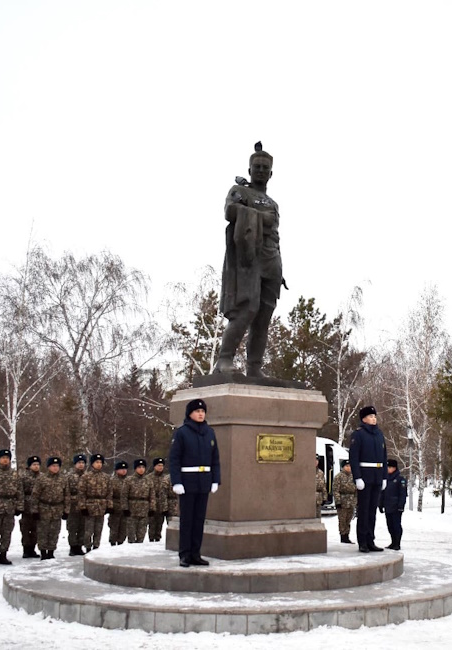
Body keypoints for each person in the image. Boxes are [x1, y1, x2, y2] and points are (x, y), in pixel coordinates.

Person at [213, 141, 284, 376]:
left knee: (264, 316)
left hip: (271, 259)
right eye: (258, 166)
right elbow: (230, 212)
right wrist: (259, 217)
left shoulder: (273, 203)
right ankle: (224, 360)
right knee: (247, 308)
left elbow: (274, 229)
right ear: (250, 170)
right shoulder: (239, 191)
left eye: (266, 167)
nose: (262, 170)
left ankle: (254, 367)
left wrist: (280, 270)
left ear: (271, 173)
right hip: (249, 257)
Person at [169, 398, 221, 567]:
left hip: (203, 481)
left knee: (199, 520)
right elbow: (174, 459)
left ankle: (196, 553)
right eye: (197, 411)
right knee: (187, 520)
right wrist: (176, 481)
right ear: (190, 413)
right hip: (187, 482)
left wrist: (215, 480)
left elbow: (215, 459)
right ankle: (184, 554)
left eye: (203, 411)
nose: (200, 414)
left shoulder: (210, 432)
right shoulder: (182, 432)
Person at [349, 405, 387, 553]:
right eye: (371, 416)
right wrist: (357, 477)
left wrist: (384, 477)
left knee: (372, 511)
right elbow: (353, 457)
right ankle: (362, 541)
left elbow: (384, 457)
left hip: (377, 476)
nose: (374, 419)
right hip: (365, 477)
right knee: (363, 511)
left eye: (374, 416)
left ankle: (371, 540)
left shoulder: (379, 434)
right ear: (364, 419)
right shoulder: (358, 434)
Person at [32, 457, 70, 560]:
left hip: (57, 508)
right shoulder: (42, 479)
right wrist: (35, 510)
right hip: (44, 508)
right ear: (48, 467)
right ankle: (43, 552)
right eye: (53, 466)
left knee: (54, 531)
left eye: (57, 466)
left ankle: (51, 551)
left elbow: (66, 495)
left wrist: (66, 510)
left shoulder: (63, 479)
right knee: (43, 531)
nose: (55, 468)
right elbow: (35, 495)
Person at [77, 454, 112, 553]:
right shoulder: (86, 477)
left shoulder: (106, 477)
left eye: (100, 462)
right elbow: (81, 493)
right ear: (92, 464)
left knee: (98, 529)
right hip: (90, 506)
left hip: (101, 505)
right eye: (97, 462)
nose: (99, 464)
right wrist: (83, 507)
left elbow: (109, 492)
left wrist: (109, 505)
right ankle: (88, 547)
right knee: (88, 530)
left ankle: (96, 546)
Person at [126, 458, 156, 543]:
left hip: (144, 509)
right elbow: (124, 495)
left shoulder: (148, 480)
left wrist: (152, 508)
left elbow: (152, 495)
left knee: (141, 534)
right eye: (139, 467)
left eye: (143, 467)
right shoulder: (129, 480)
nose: (141, 469)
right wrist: (125, 508)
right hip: (132, 509)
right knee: (131, 535)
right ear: (135, 468)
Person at [380, 458, 408, 550]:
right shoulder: (385, 479)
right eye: (387, 467)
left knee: (396, 525)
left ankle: (397, 543)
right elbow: (382, 492)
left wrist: (401, 506)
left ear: (395, 468)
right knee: (390, 525)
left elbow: (403, 494)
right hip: (388, 505)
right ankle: (393, 542)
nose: (388, 469)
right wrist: (380, 504)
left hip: (396, 506)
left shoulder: (400, 479)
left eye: (390, 467)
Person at [19, 455, 42, 558]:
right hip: (27, 506)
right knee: (26, 528)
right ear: (29, 466)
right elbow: (20, 492)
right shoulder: (23, 477)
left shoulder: (42, 477)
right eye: (34, 464)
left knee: (36, 529)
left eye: (38, 464)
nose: (36, 466)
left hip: (39, 507)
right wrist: (20, 506)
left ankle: (32, 548)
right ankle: (26, 549)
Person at [65, 453, 88, 556]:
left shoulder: (88, 476)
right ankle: (73, 547)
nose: (81, 465)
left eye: (83, 462)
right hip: (73, 505)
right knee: (72, 528)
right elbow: (66, 492)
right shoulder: (69, 477)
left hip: (85, 505)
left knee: (83, 527)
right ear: (75, 464)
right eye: (79, 463)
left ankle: (79, 546)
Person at [148, 457, 175, 543]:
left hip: (165, 504)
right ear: (154, 466)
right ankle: (151, 540)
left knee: (160, 524)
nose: (160, 467)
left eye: (162, 465)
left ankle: (158, 539)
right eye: (158, 465)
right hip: (153, 503)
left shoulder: (166, 477)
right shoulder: (149, 477)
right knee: (152, 524)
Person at [333, 460, 357, 544]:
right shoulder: (338, 476)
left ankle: (347, 535)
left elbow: (356, 490)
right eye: (346, 466)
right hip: (343, 501)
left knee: (348, 519)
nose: (348, 468)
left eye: (350, 466)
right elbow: (336, 490)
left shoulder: (354, 476)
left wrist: (356, 501)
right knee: (342, 520)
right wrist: (338, 501)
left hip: (351, 501)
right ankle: (343, 536)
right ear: (343, 467)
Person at [108, 461, 130, 546]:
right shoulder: (112, 480)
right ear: (117, 470)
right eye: (121, 469)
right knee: (114, 527)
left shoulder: (129, 480)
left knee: (123, 528)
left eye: (125, 469)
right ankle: (113, 543)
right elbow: (109, 494)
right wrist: (110, 506)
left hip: (126, 508)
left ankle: (121, 542)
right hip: (115, 506)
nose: (124, 471)